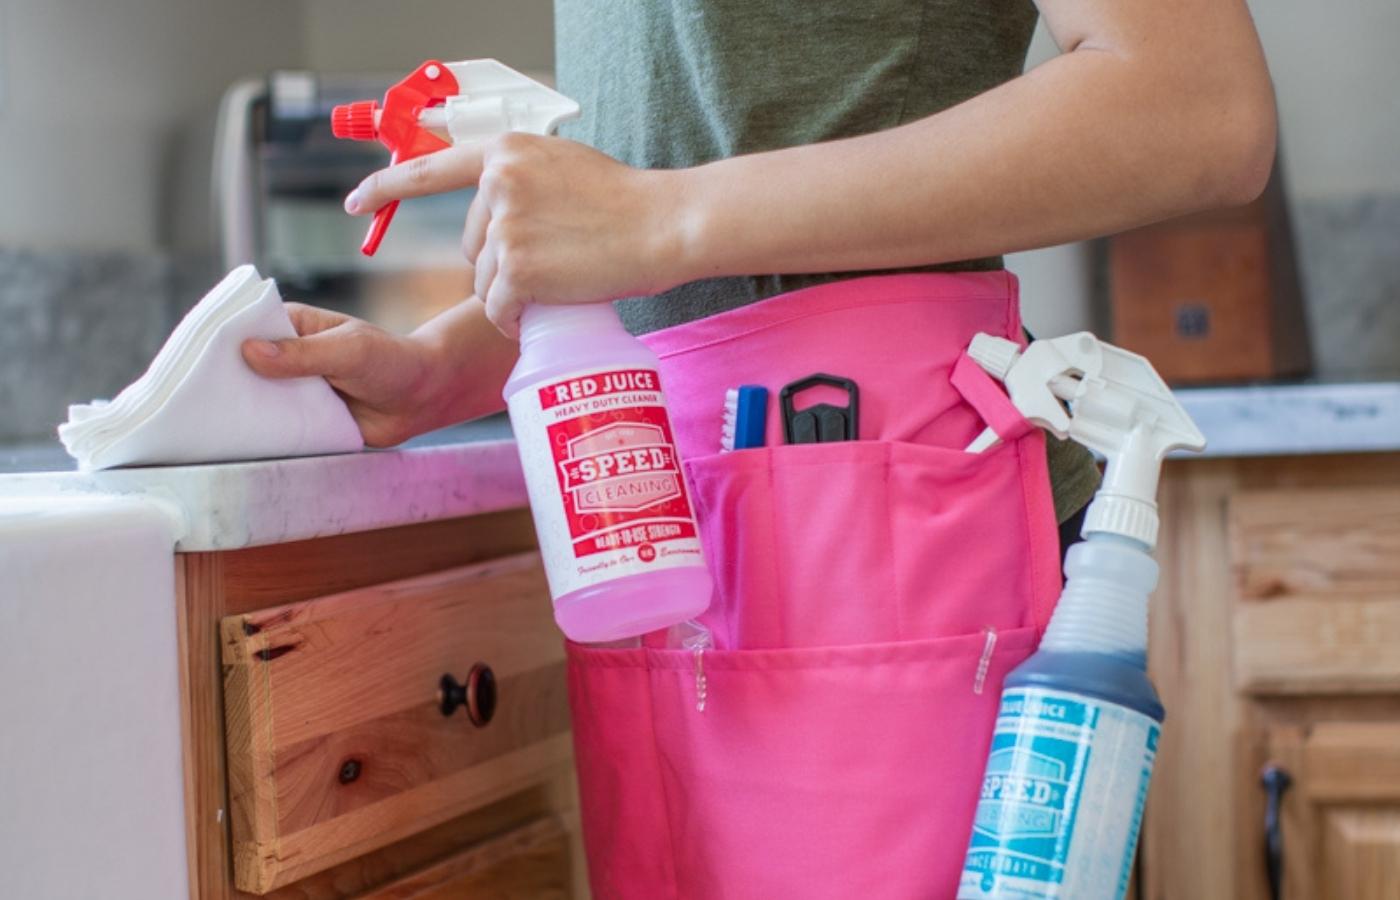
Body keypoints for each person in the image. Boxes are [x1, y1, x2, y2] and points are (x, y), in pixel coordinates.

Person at [244, 1, 1275, 895]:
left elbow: (1195, 106)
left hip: (879, 529)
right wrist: (446, 366)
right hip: (673, 508)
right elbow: (689, 186)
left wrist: (661, 215)